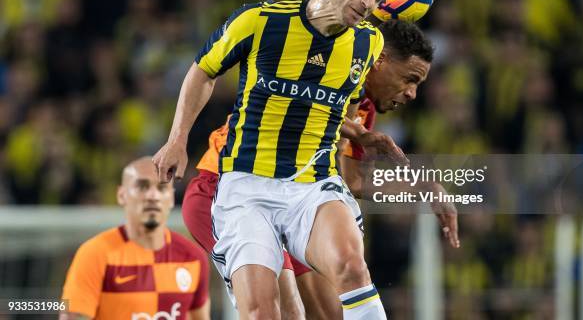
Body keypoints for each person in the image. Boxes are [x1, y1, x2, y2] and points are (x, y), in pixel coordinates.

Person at [154, 0, 405, 319]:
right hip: (246, 186)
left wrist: (360, 135)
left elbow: (336, 110)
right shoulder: (260, 21)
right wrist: (176, 140)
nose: (368, 2)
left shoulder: (368, 44)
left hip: (312, 185)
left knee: (352, 269)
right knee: (264, 311)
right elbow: (203, 71)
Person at [182, 19, 459, 319]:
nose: (411, 94)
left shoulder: (361, 106)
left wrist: (422, 187)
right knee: (284, 312)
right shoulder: (327, 65)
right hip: (226, 188)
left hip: (294, 200)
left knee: (332, 312)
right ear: (379, 60)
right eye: (410, 79)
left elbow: (353, 180)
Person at [60, 157, 210, 320]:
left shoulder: (193, 257)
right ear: (121, 195)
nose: (153, 195)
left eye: (162, 188)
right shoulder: (95, 254)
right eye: (142, 186)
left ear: (172, 198)